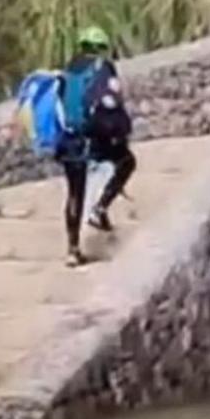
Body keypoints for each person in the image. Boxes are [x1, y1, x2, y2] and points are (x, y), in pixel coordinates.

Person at [55, 25, 136, 267]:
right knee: (126, 162)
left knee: (74, 193)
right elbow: (111, 104)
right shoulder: (102, 68)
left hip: (68, 140)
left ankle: (73, 249)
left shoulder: (66, 72)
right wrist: (120, 133)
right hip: (92, 138)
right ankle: (99, 209)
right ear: (101, 48)